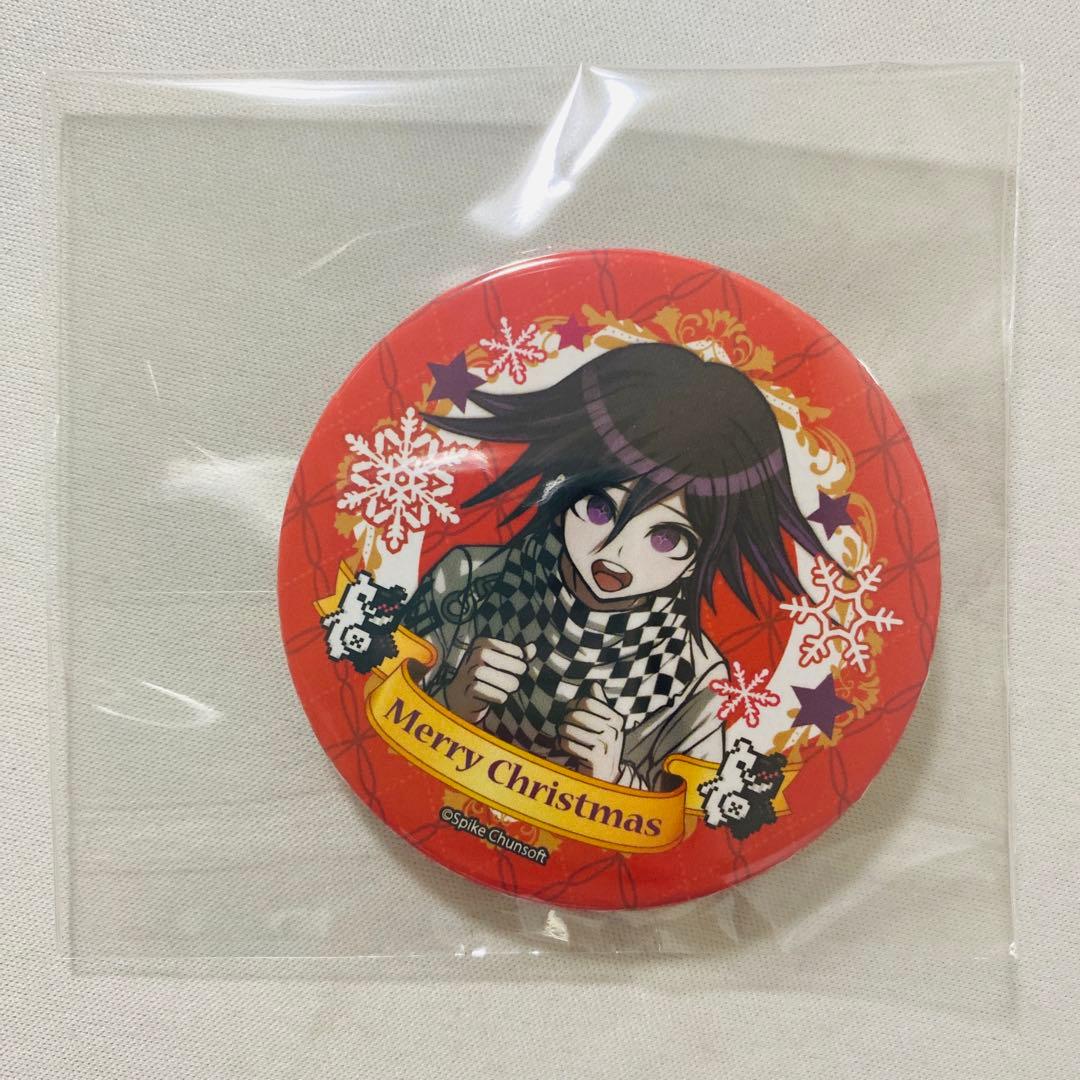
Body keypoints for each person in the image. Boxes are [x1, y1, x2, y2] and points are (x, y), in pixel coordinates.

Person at [401, 342, 828, 791]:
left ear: (699, 558)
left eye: (667, 538)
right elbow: (373, 697)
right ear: (561, 492)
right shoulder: (468, 579)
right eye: (600, 507)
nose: (617, 554)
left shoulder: (696, 681)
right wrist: (453, 701)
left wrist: (614, 778)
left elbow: (695, 816)